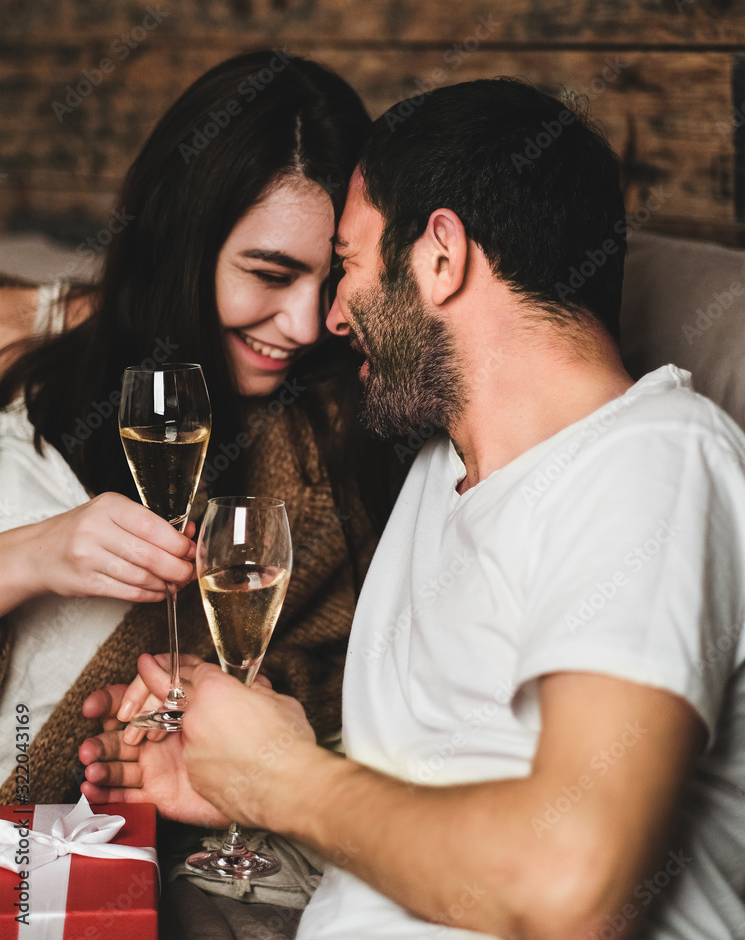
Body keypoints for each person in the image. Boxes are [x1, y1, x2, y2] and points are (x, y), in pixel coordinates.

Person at [81, 79, 745, 939]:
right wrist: (248, 764)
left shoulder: (652, 460)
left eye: (348, 265)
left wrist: (282, 779)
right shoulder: (442, 466)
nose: (329, 317)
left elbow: (571, 888)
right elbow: (433, 784)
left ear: (440, 254)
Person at [0, 49, 404, 806]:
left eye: (334, 276)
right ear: (181, 245)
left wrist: (227, 705)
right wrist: (29, 557)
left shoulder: (332, 440)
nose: (308, 323)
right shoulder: (32, 347)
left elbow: (338, 667)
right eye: (270, 274)